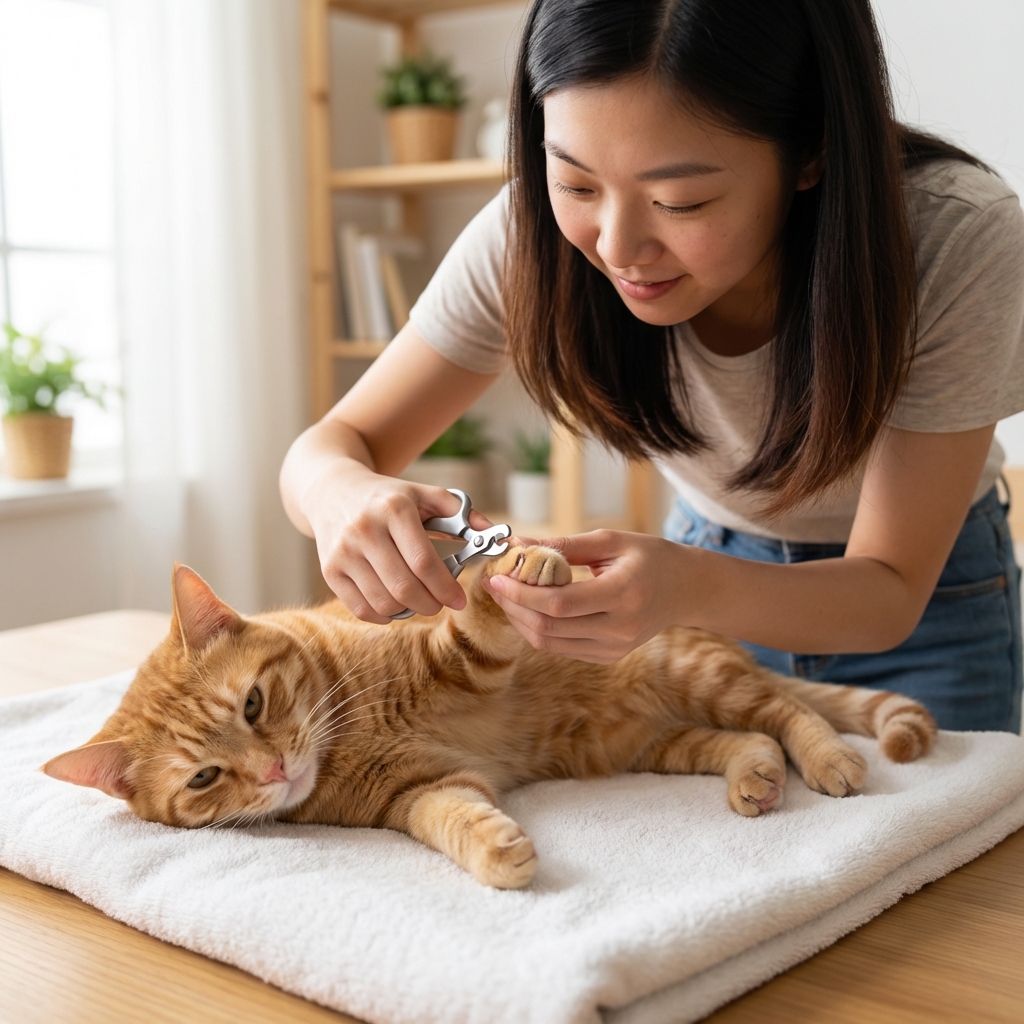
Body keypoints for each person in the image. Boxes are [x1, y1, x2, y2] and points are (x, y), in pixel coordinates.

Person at [281, 0, 1024, 732]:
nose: (615, 246)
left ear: (812, 149)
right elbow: (332, 445)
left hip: (927, 610)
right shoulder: (527, 236)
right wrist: (340, 493)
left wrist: (689, 588)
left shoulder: (956, 241)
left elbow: (888, 592)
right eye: (574, 182)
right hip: (699, 568)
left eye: (680, 201)